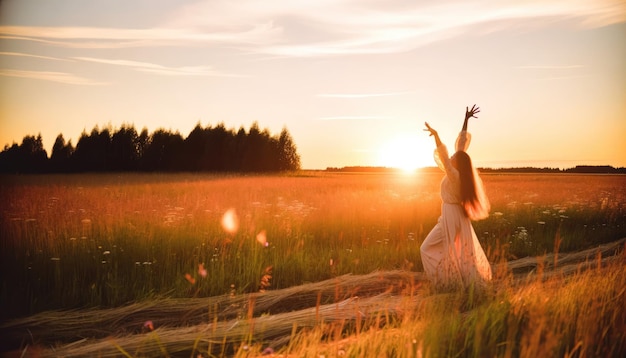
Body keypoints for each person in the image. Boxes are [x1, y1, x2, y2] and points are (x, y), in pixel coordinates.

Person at [420, 105, 492, 291]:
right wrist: (466, 120)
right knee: (457, 253)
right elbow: (461, 145)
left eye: (454, 156)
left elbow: (445, 155)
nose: (452, 155)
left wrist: (436, 136)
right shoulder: (459, 174)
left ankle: (445, 282)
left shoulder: (455, 175)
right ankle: (454, 282)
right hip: (454, 215)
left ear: (456, 162)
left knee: (427, 248)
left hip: (451, 217)